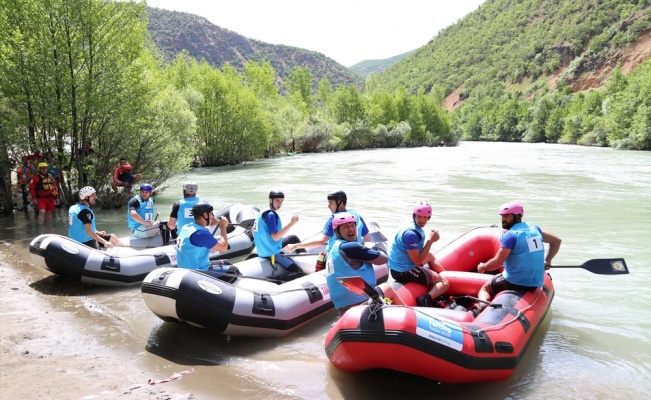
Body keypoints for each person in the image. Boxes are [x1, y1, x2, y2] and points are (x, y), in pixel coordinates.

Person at [477, 201, 562, 304]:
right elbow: (557, 241)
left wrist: (483, 267)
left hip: (513, 282)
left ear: (517, 216)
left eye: (507, 216)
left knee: (484, 289)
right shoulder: (535, 229)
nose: (503, 220)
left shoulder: (510, 235)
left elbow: (497, 263)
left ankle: (482, 305)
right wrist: (548, 260)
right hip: (536, 282)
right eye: (502, 216)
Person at [388, 201, 449, 307]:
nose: (422, 220)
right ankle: (425, 299)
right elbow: (417, 261)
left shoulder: (411, 223)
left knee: (429, 255)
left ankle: (446, 274)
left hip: (399, 263)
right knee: (445, 283)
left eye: (425, 217)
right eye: (419, 216)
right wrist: (430, 241)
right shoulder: (410, 234)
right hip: (403, 270)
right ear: (414, 215)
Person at [326, 212, 388, 315]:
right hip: (358, 300)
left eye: (353, 226)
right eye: (346, 227)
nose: (351, 229)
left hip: (342, 305)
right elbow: (384, 259)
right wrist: (373, 249)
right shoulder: (350, 247)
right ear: (337, 231)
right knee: (388, 288)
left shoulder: (334, 248)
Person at [283, 190, 371, 255]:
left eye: (331, 203)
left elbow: (321, 242)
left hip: (336, 257)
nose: (328, 206)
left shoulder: (333, 219)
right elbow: (367, 238)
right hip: (356, 255)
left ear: (341, 203)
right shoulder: (357, 215)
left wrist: (295, 246)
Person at [176, 201, 241, 283]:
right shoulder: (200, 234)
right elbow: (224, 247)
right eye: (211, 214)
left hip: (186, 268)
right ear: (205, 215)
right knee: (233, 271)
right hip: (194, 273)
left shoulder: (187, 227)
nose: (213, 216)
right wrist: (223, 227)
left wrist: (219, 222)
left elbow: (211, 223)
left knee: (227, 262)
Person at [253, 190, 302, 282]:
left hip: (262, 249)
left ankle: (303, 255)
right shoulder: (271, 215)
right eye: (277, 201)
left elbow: (253, 230)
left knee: (293, 238)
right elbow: (275, 237)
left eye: (281, 201)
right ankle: (275, 279)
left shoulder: (263, 211)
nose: (279, 204)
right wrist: (291, 223)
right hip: (272, 253)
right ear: (270, 200)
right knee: (298, 272)